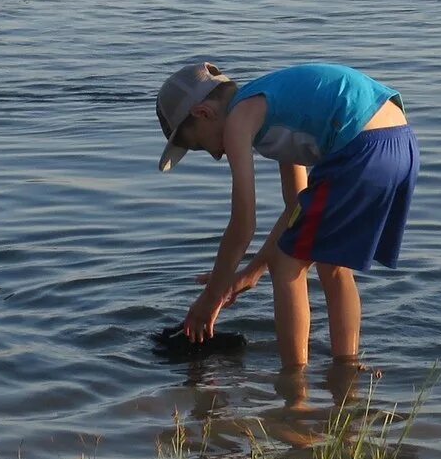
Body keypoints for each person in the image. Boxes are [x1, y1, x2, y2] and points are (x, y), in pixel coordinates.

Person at [158, 59, 418, 372]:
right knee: (330, 263)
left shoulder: (240, 118)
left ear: (204, 112)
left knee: (286, 264)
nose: (215, 155)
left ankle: (294, 391)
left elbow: (243, 225)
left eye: (200, 144)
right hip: (399, 142)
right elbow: (296, 209)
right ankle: (346, 372)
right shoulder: (275, 104)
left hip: (361, 147)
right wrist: (250, 273)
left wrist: (209, 301)